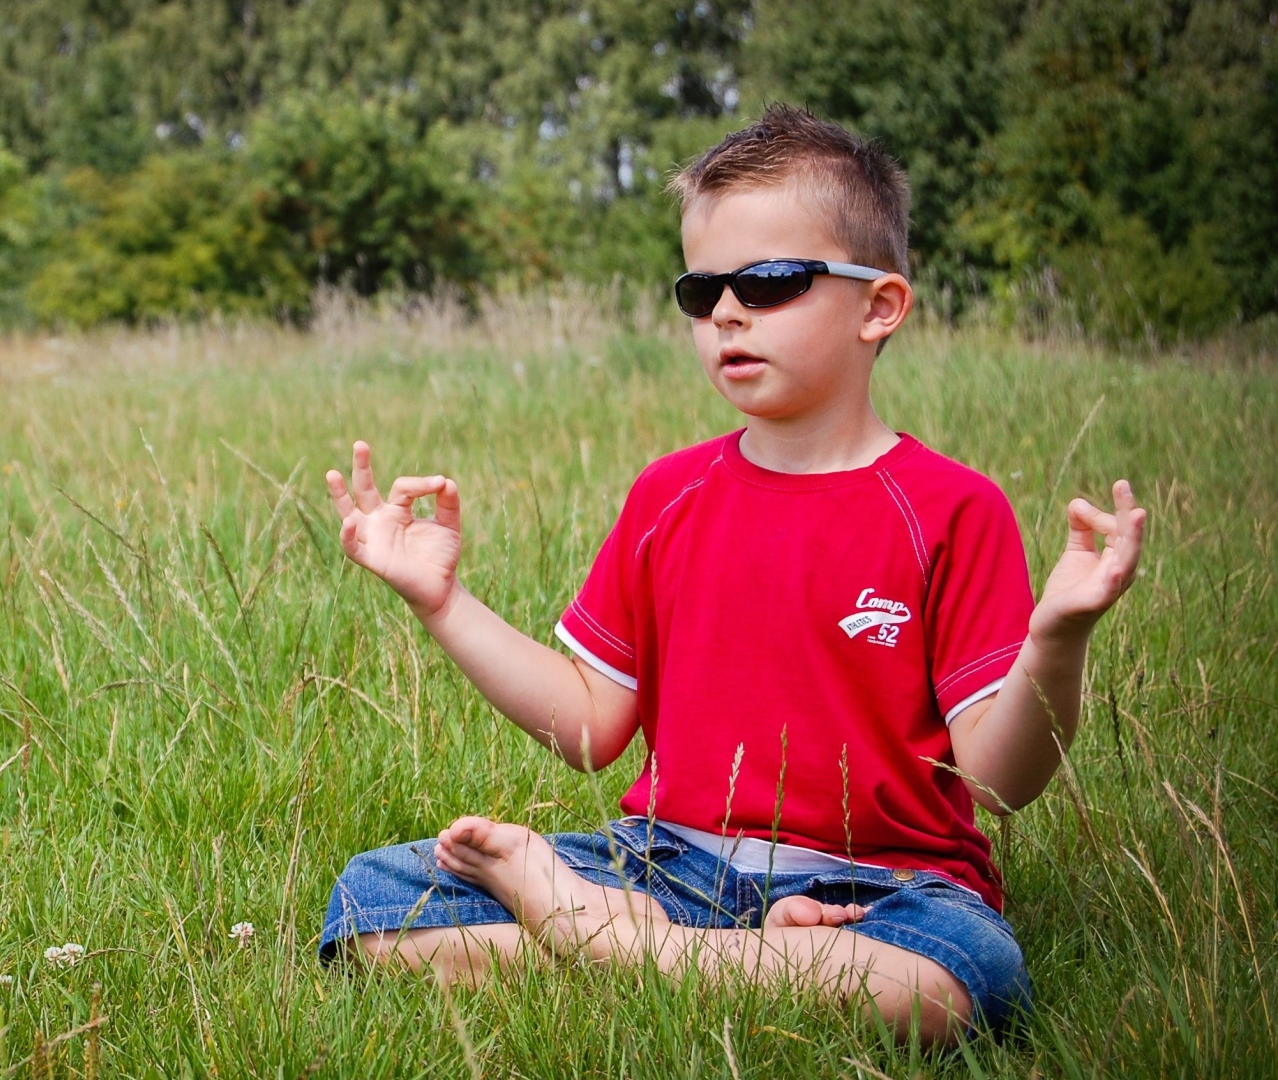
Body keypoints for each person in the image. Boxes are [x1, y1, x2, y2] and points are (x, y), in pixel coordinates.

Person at [316, 104, 1147, 1044]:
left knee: (955, 985)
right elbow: (593, 725)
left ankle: (609, 946)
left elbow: (997, 783)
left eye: (771, 280)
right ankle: (694, 954)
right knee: (375, 902)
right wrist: (442, 601)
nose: (726, 312)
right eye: (701, 288)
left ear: (881, 306)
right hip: (668, 864)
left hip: (886, 889)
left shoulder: (950, 509)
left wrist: (1058, 638)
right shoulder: (669, 496)